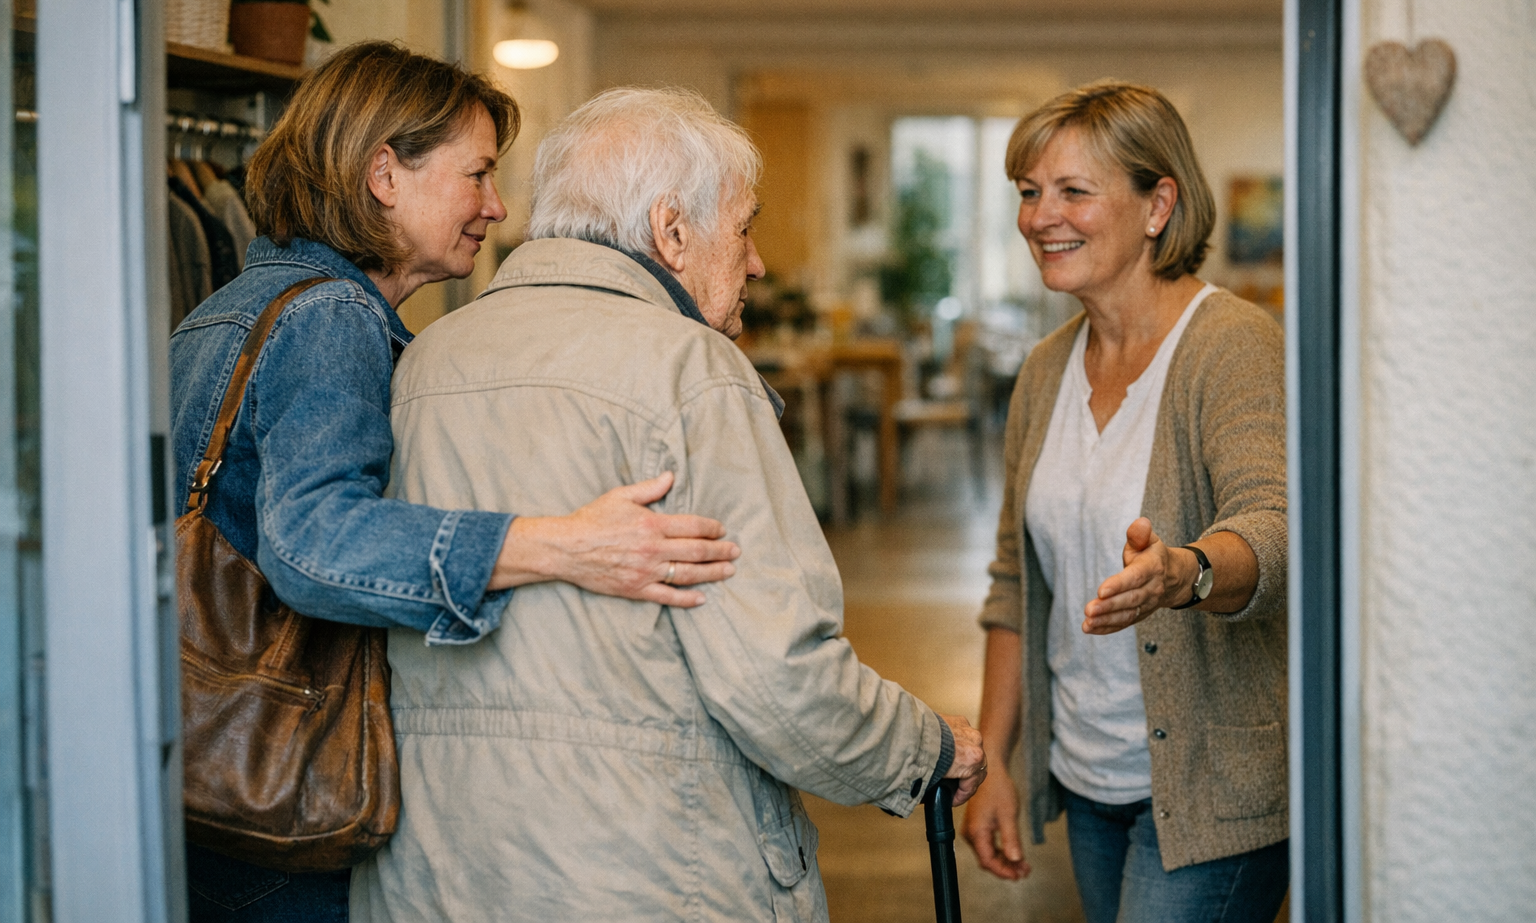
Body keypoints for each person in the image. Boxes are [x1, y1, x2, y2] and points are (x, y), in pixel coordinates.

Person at [350, 88, 987, 923]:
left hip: (436, 879)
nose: (756, 262)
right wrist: (924, 747)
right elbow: (777, 681)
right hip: (646, 877)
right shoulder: (691, 372)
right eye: (745, 227)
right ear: (671, 230)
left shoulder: (423, 360)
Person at [171, 46, 742, 923]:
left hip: (205, 769)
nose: (496, 206)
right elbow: (314, 545)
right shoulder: (331, 317)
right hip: (283, 792)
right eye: (477, 174)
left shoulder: (230, 307)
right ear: (383, 174)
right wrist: (558, 544)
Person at [961, 81, 1289, 923]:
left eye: (1074, 191)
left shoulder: (1233, 344)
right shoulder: (1044, 369)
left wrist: (1188, 570)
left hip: (1210, 793)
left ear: (1158, 206)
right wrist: (995, 757)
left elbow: (1277, 529)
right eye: (1030, 193)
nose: (1040, 217)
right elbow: (1013, 581)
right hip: (1088, 776)